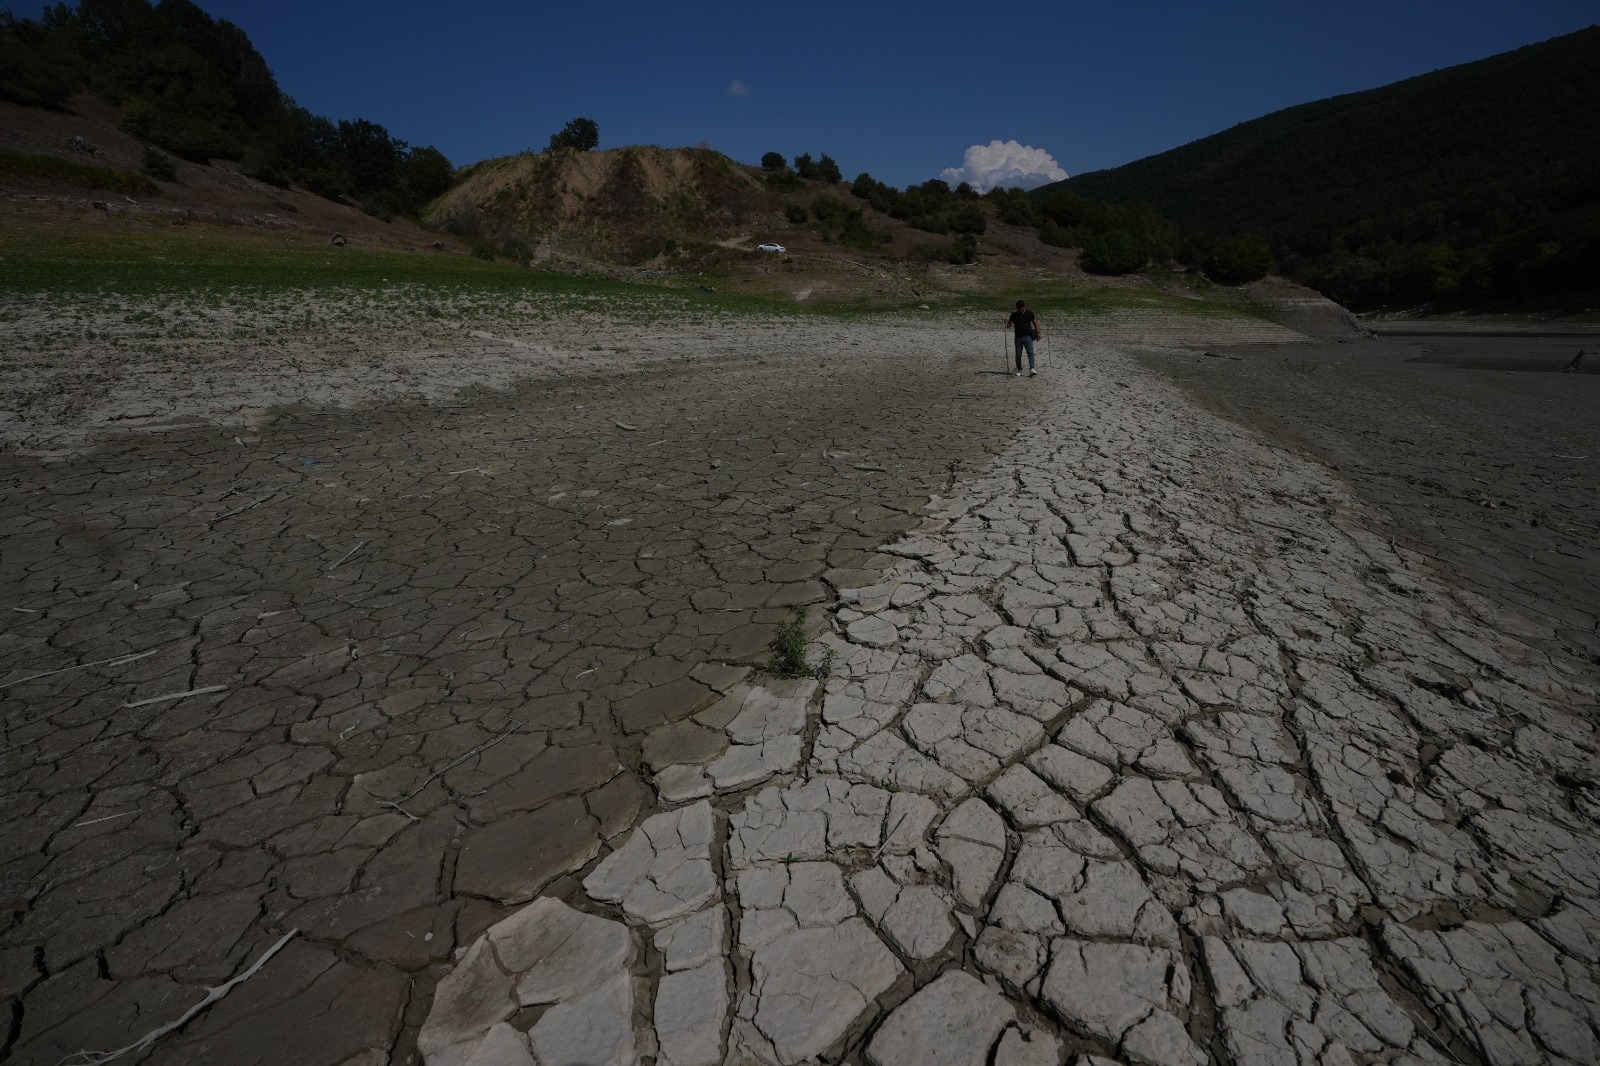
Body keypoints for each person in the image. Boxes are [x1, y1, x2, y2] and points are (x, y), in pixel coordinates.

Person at [1004, 300, 1041, 377]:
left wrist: (1038, 333)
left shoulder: (1029, 313)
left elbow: (1035, 322)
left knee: (1030, 353)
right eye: (1018, 309)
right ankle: (1019, 369)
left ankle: (1032, 369)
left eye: (1021, 309)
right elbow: (1008, 325)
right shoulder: (1014, 315)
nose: (1020, 311)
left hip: (1028, 337)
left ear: (1024, 307)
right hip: (1018, 338)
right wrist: (1006, 322)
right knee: (1018, 354)